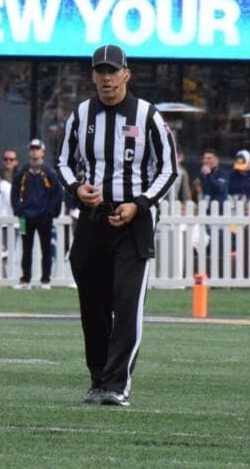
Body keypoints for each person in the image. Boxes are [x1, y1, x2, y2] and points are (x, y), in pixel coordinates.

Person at [58, 44, 178, 407]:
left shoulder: (148, 116)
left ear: (127, 74)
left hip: (134, 222)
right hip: (93, 219)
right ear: (93, 76)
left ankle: (117, 383)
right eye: (100, 72)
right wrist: (79, 189)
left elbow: (170, 168)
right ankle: (98, 379)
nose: (107, 78)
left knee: (127, 303)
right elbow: (62, 162)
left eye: (113, 71)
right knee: (92, 303)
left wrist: (139, 204)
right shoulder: (80, 115)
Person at [11, 139, 63, 290]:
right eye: (32, 149)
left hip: (44, 217)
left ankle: (45, 279)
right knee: (25, 249)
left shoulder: (49, 172)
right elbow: (15, 192)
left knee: (46, 248)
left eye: (37, 148)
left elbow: (56, 194)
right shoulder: (23, 171)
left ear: (43, 152)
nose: (34, 151)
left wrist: (53, 212)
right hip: (24, 217)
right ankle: (25, 279)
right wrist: (18, 209)